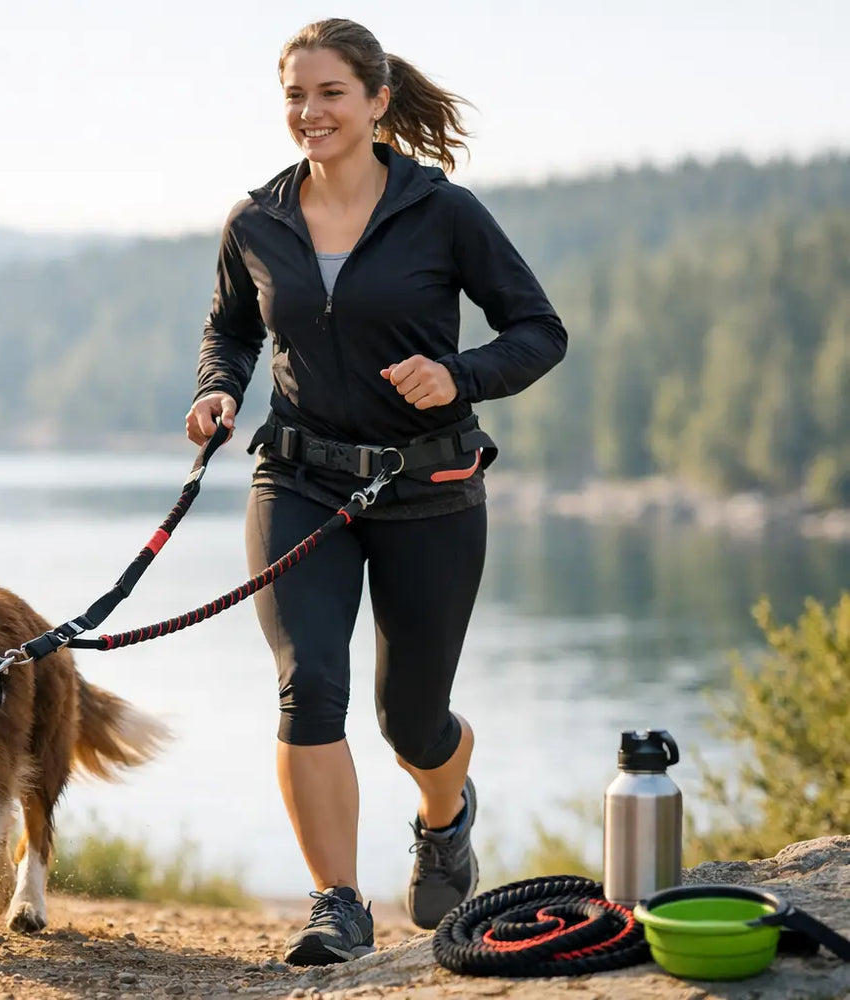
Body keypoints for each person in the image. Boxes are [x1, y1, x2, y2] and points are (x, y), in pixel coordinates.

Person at [185, 18, 568, 966]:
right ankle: (336, 904)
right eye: (295, 97)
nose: (309, 114)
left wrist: (461, 377)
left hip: (427, 487)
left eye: (330, 95)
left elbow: (538, 329)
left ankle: (446, 815)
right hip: (299, 477)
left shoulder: (444, 213)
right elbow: (231, 329)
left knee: (412, 719)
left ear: (376, 101)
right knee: (307, 682)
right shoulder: (255, 221)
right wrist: (217, 388)